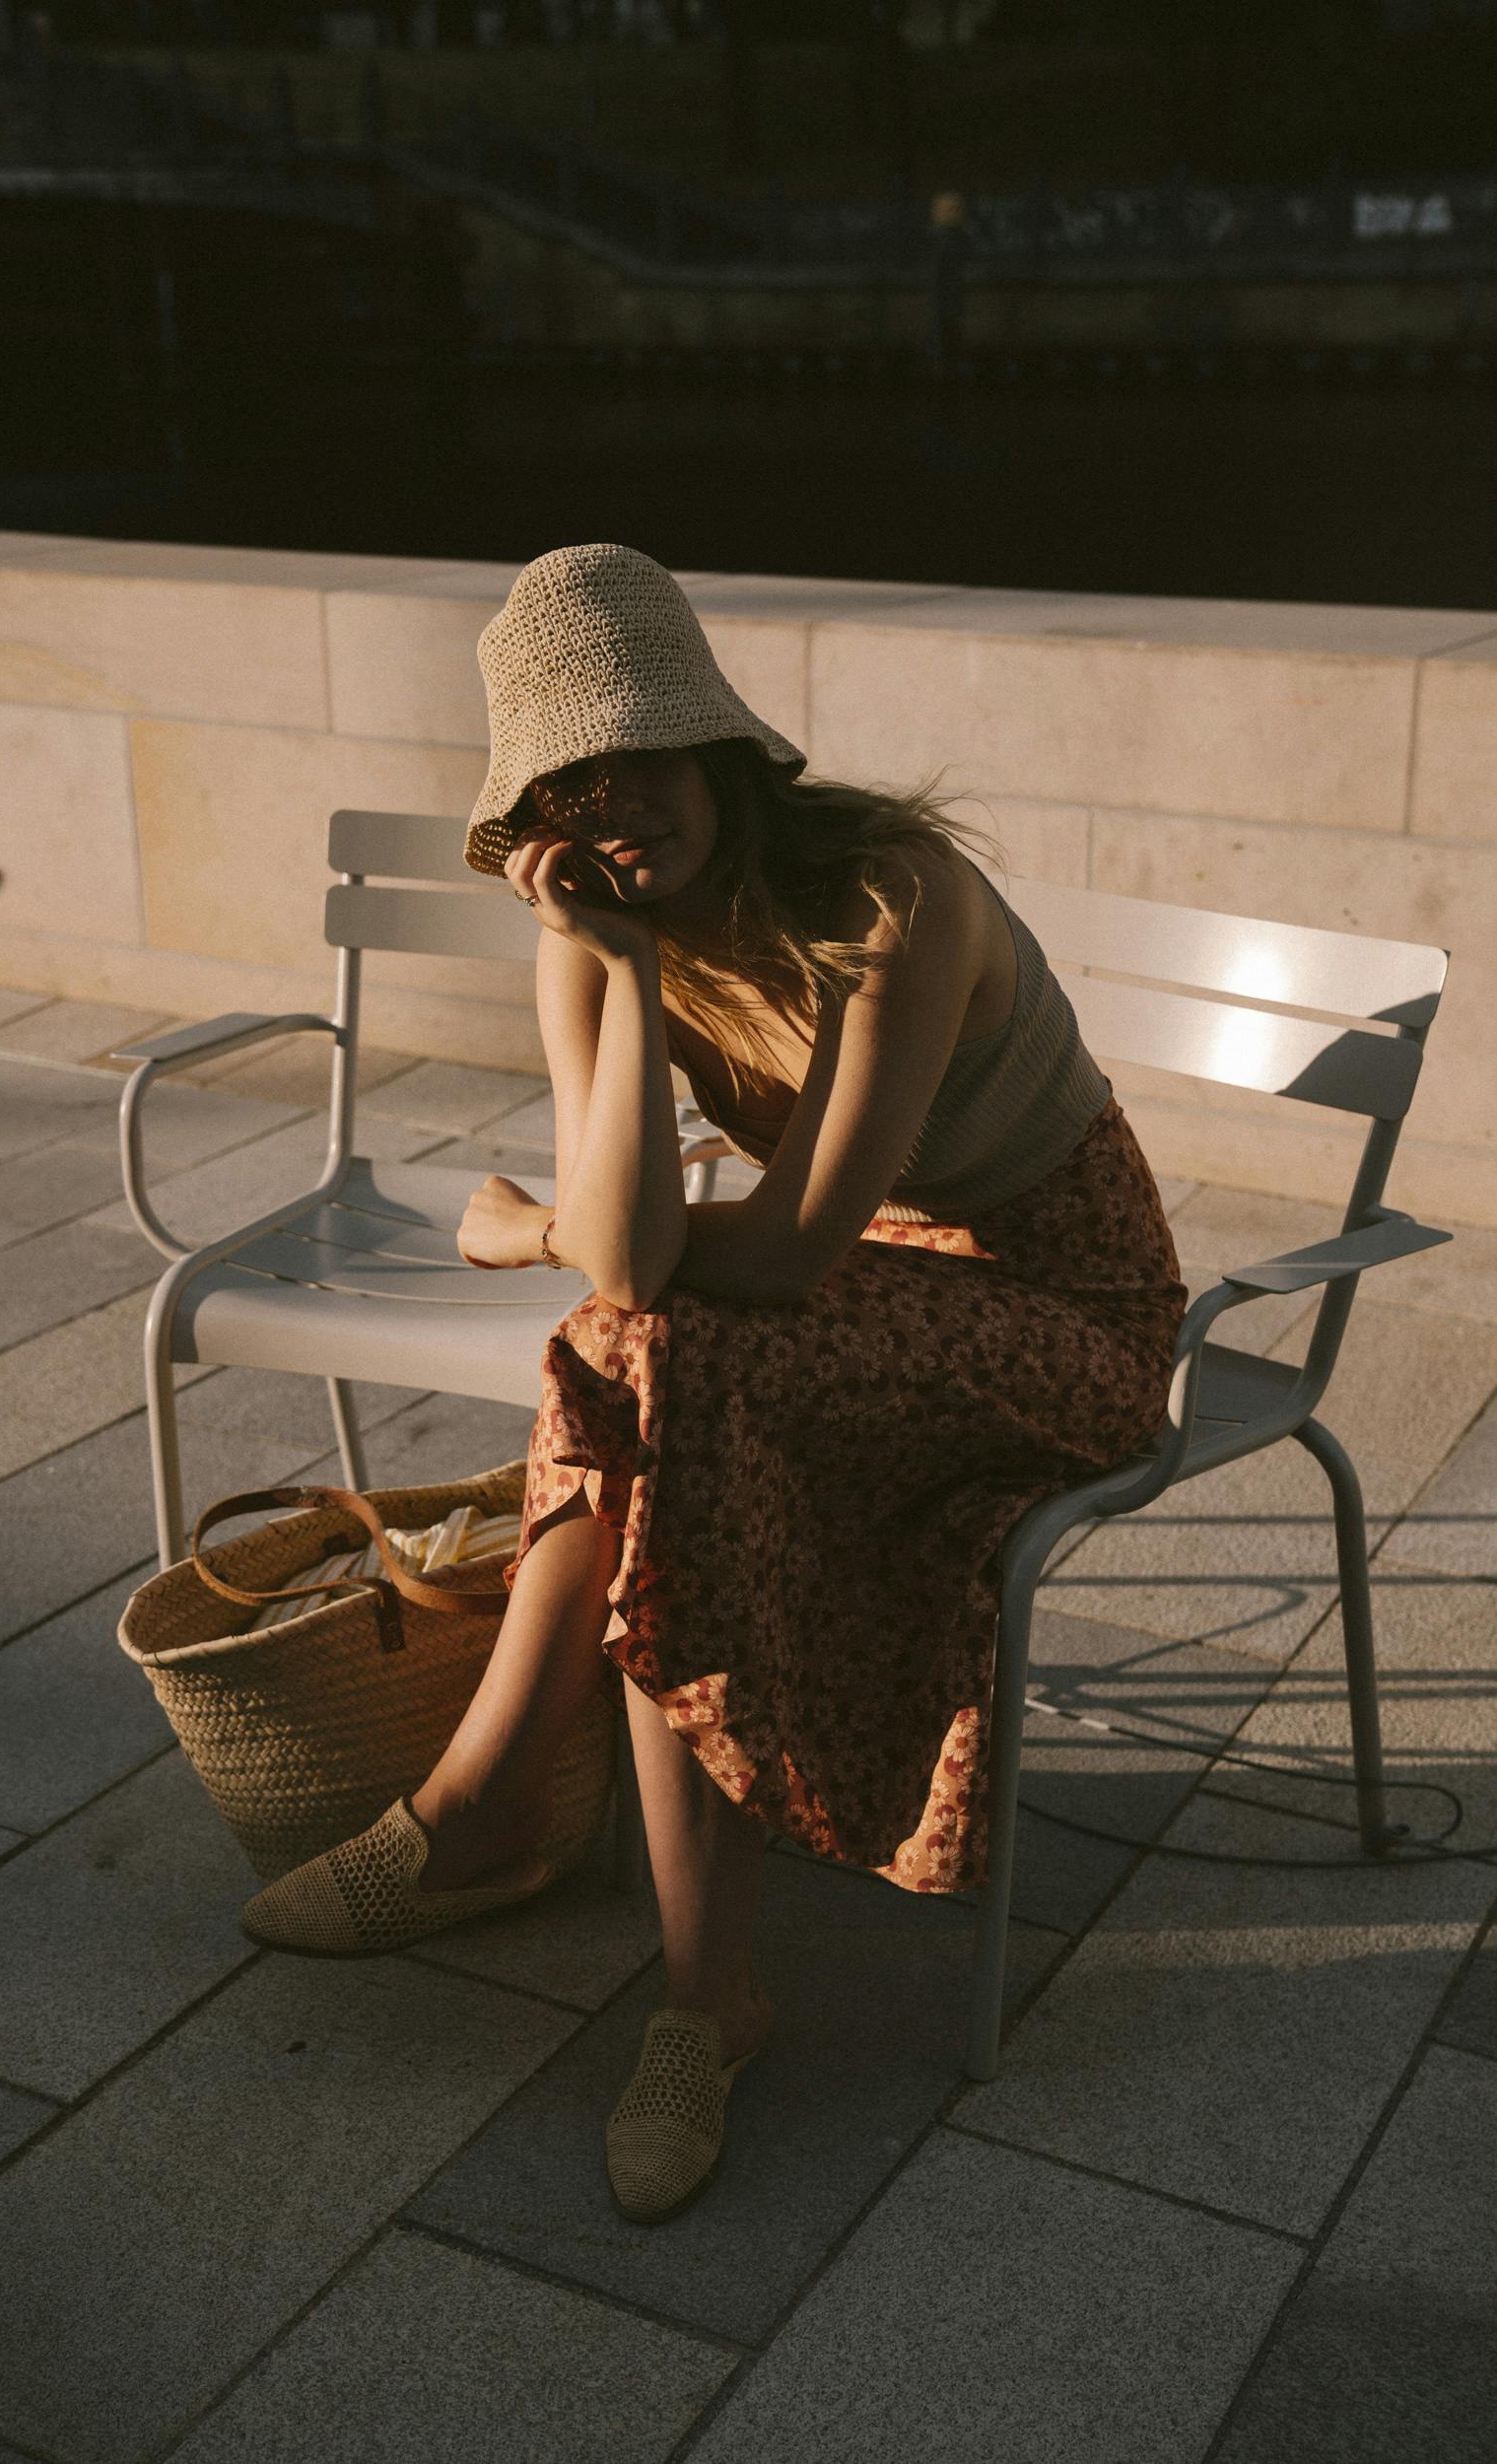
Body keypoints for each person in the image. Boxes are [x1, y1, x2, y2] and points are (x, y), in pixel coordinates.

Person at [238, 541, 1188, 2224]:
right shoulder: (607, 928)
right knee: (648, 1357)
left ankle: (495, 1825)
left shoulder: (893, 899)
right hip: (859, 1302)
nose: (619, 812)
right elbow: (636, 1254)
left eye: (641, 757)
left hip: (1064, 1315)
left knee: (659, 1351)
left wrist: (529, 1233)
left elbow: (777, 1256)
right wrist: (610, 968)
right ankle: (691, 1983)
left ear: (716, 744)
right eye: (571, 787)